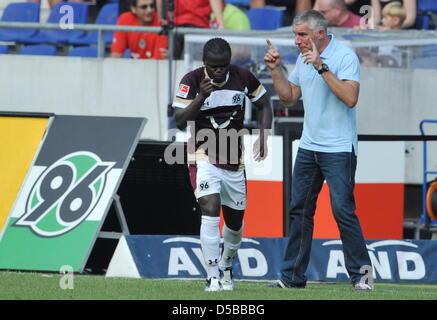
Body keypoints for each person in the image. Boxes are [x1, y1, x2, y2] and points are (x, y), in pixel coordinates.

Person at [264, 10, 373, 290]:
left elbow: (351, 98)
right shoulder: (303, 58)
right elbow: (289, 98)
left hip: (339, 148)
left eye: (302, 34)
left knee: (342, 211)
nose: (297, 40)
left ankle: (363, 277)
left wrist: (321, 67)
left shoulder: (345, 56)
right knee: (299, 210)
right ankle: (293, 278)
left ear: (320, 34)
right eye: (295, 35)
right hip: (309, 146)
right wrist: (276, 69)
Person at [173, 38, 272, 292]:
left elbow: (264, 104)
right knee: (210, 205)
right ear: (205, 63)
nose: (219, 71)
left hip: (233, 158)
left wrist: (263, 135)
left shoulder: (243, 77)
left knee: (235, 222)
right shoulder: (191, 81)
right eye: (214, 66)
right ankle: (212, 275)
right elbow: (181, 121)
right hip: (202, 153)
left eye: (224, 66)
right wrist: (201, 97)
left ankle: (227, 265)